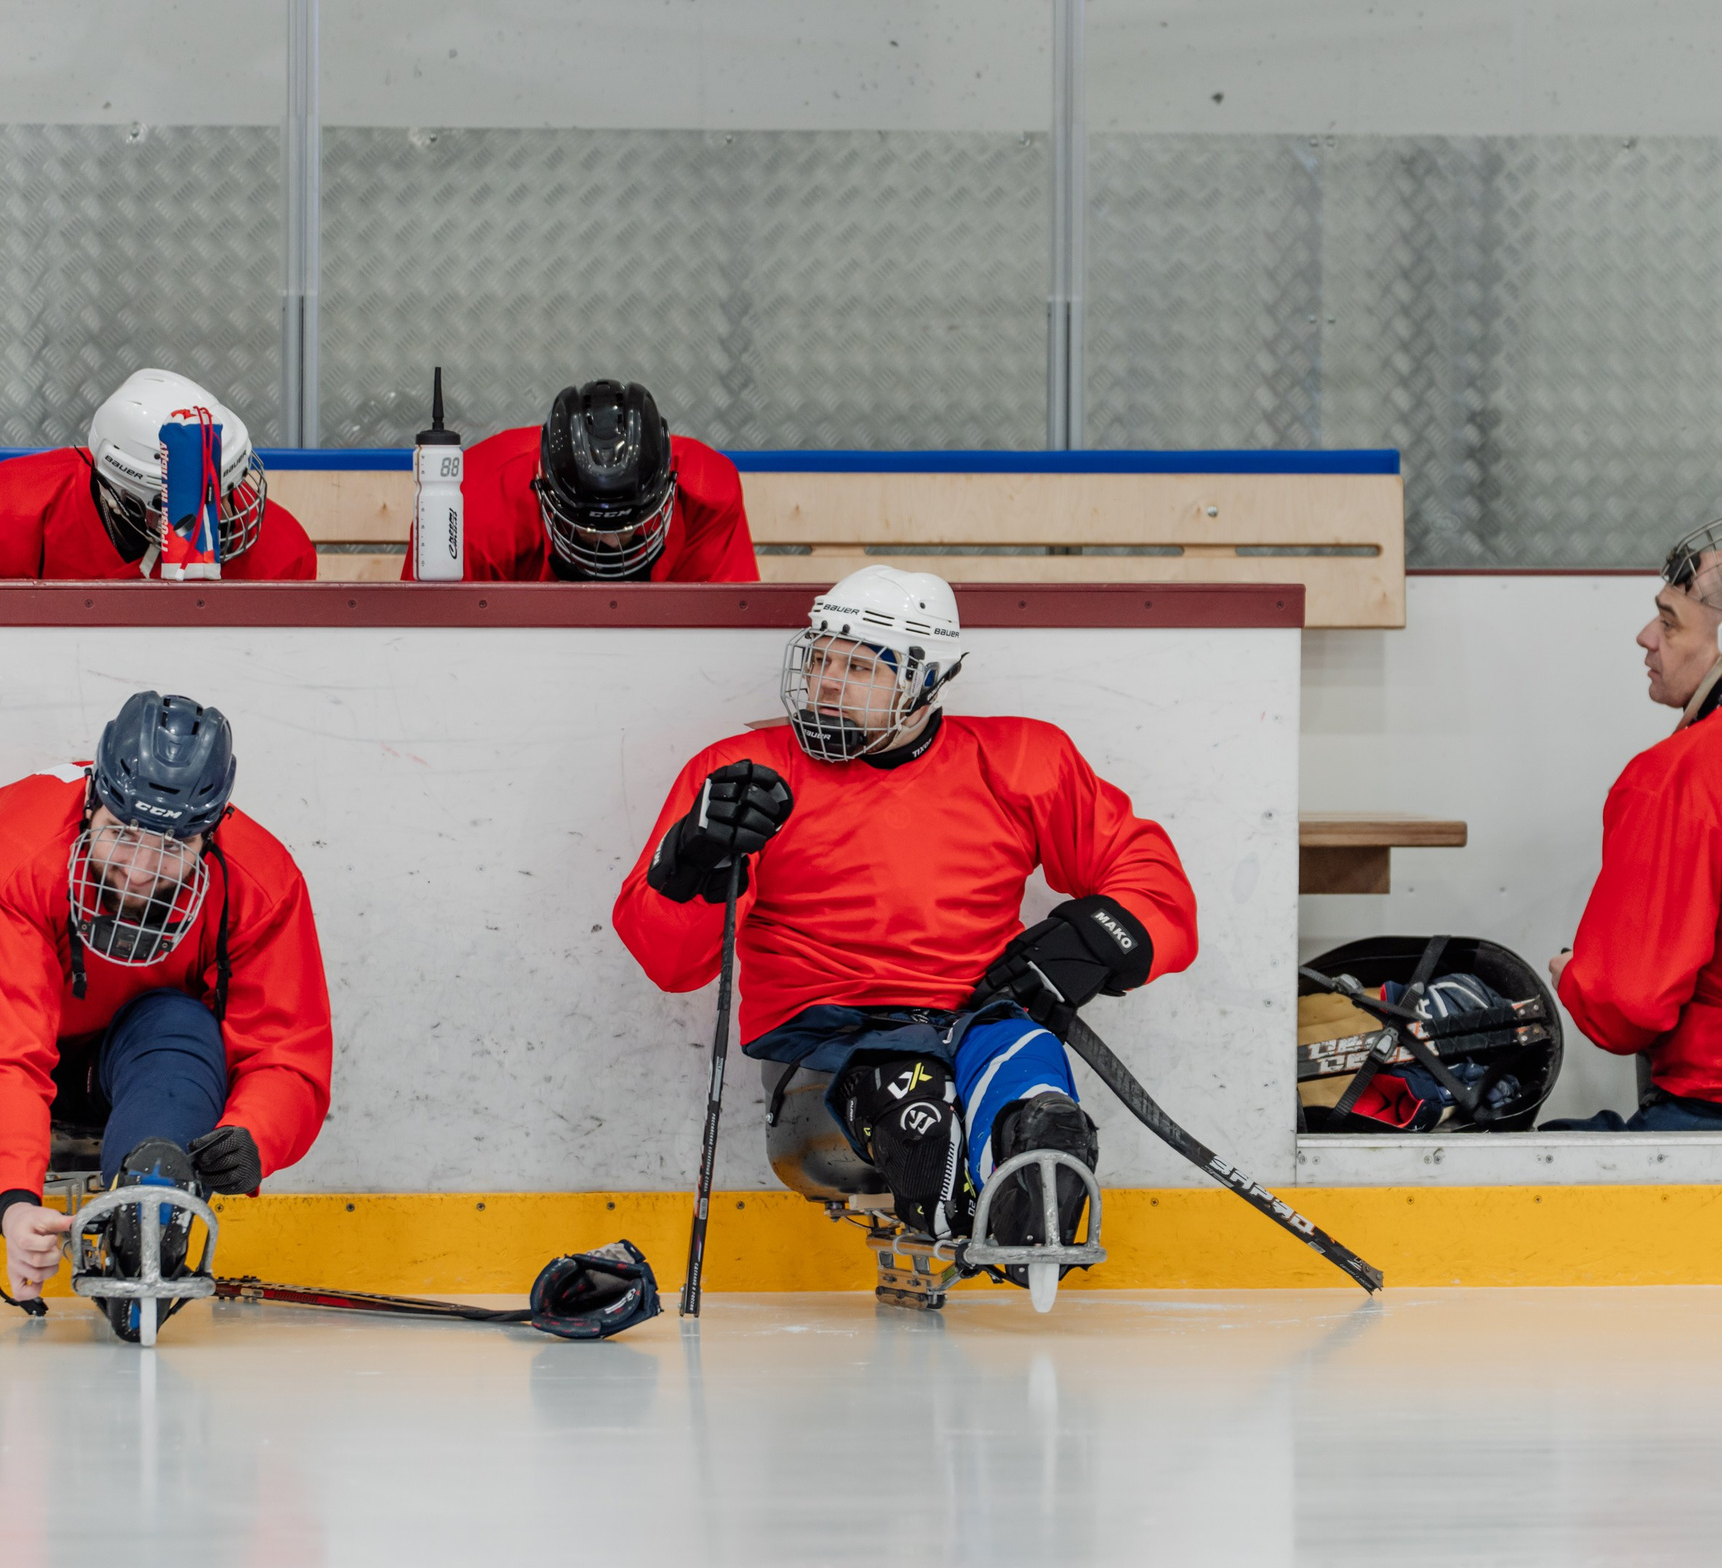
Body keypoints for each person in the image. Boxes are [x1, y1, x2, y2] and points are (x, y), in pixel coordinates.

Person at [611, 566, 1196, 1242]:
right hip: (825, 1038)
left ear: (927, 680)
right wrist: (694, 862)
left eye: (859, 667)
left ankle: (1033, 1179)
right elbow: (671, 964)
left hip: (975, 1015)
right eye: (821, 658)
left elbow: (1151, 879)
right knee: (908, 1090)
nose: (828, 681)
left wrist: (1096, 939)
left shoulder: (1023, 759)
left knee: (1032, 1079)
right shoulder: (745, 777)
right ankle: (962, 1209)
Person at [0, 691, 333, 1333]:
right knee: (146, 1026)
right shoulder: (18, 845)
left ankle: (147, 1220)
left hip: (153, 1069)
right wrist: (13, 1198)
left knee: (178, 1022)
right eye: (121, 835)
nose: (141, 871)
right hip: (45, 1060)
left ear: (213, 831)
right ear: (93, 800)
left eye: (173, 846)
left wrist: (256, 1134)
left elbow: (288, 1048)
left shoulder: (262, 882)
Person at [1542, 513, 1722, 1132]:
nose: (1646, 636)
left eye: (1669, 621)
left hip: (1716, 1107)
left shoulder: (1680, 772)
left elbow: (1626, 1006)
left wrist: (1574, 977)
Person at [0, 369, 318, 581]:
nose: (226, 510)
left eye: (228, 486)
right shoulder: (2, 513)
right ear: (121, 495)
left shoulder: (281, 553)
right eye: (191, 496)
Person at [406, 378, 758, 582]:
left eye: (628, 524)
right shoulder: (468, 502)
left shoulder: (706, 490)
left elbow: (722, 638)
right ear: (543, 487)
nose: (610, 543)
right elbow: (427, 645)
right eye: (589, 526)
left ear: (668, 486)